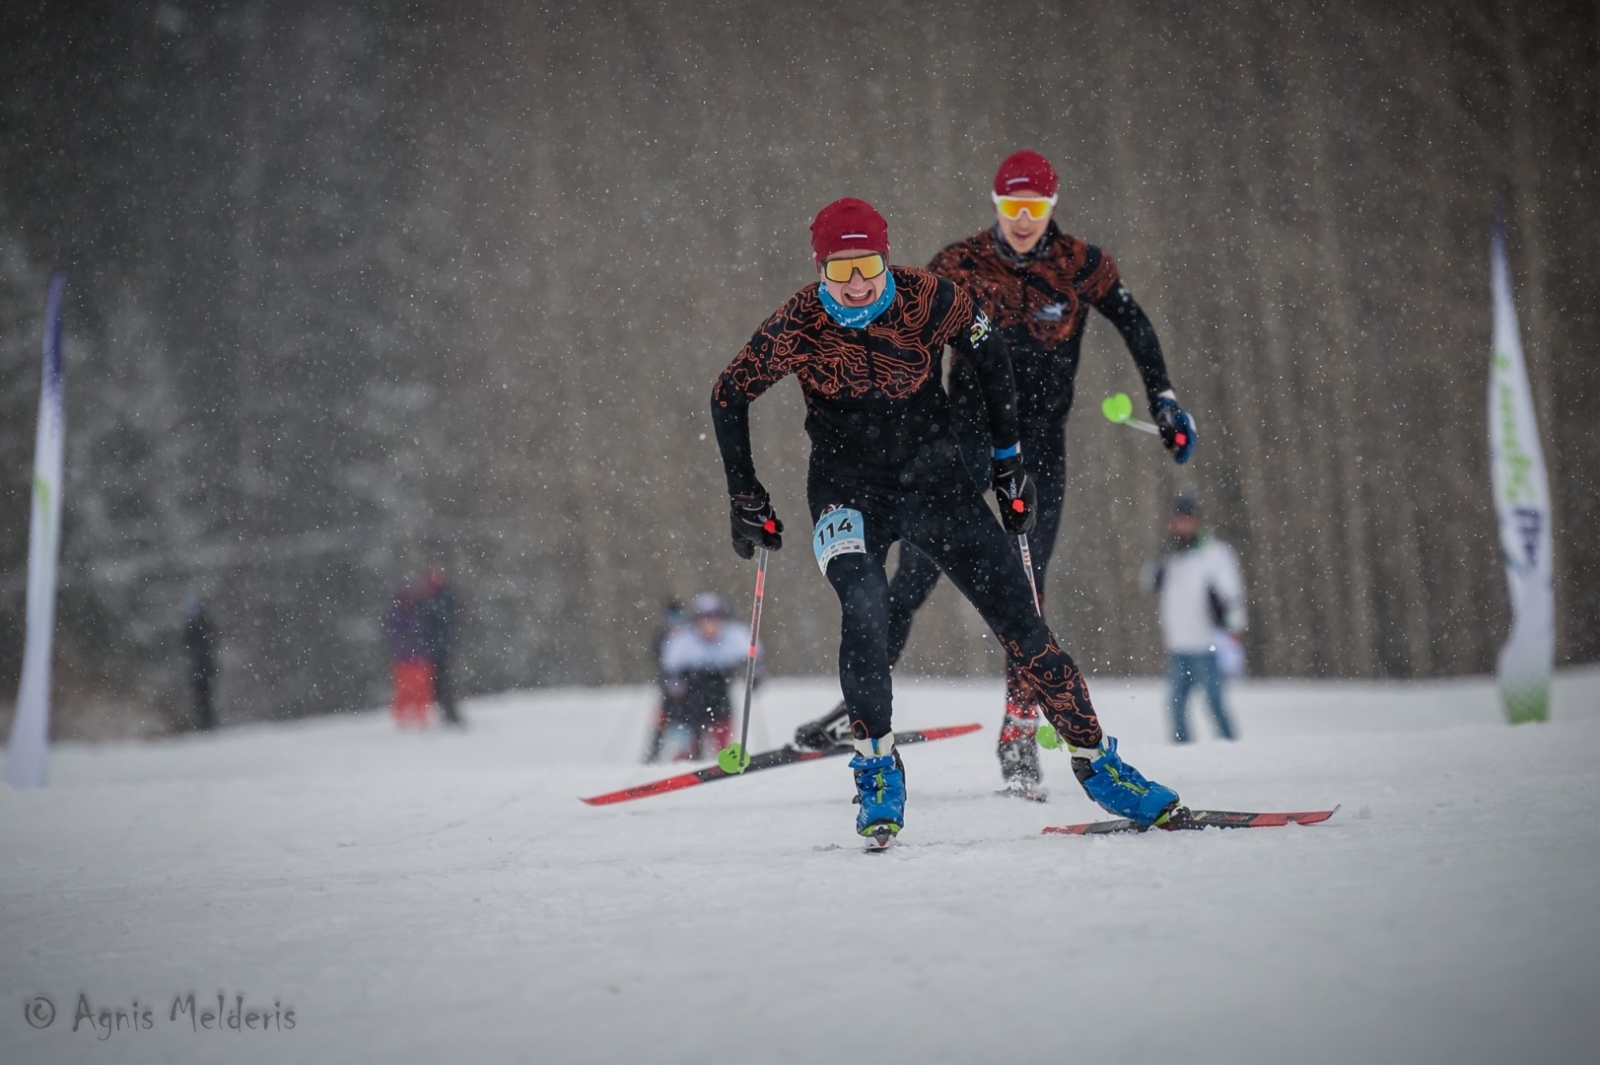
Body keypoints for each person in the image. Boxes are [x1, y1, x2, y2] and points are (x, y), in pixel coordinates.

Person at [711, 196, 1182, 843]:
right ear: (820, 268)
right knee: (868, 603)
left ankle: (1099, 761)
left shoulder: (930, 297)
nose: (857, 284)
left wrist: (1008, 460)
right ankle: (877, 765)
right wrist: (746, 495)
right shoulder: (800, 321)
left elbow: (989, 359)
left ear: (887, 256)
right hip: (847, 493)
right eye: (840, 270)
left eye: (868, 265)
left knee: (1022, 621)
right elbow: (728, 391)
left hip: (937, 483)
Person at [1143, 495, 1246, 743]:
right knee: (1176, 705)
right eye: (1179, 520)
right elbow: (1148, 584)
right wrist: (1159, 563)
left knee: (1214, 701)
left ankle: (1231, 746)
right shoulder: (1170, 554)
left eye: (1188, 519)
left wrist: (1235, 626)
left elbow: (1231, 593)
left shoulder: (1215, 553)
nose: (1183, 525)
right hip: (1178, 643)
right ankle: (1183, 751)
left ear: (1197, 521)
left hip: (1207, 642)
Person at [656, 593, 759, 762]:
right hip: (691, 702)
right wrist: (673, 684)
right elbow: (670, 668)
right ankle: (684, 763)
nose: (710, 626)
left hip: (720, 701)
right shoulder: (684, 640)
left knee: (723, 737)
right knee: (689, 743)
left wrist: (755, 674)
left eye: (715, 619)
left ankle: (726, 762)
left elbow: (754, 655)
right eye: (705, 620)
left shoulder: (734, 636)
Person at [383, 580, 433, 728]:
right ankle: (402, 717)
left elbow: (427, 631)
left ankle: (421, 715)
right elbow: (391, 634)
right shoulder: (395, 614)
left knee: (422, 689)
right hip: (404, 659)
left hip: (419, 657)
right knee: (404, 690)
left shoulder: (420, 612)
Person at [644, 598, 690, 762]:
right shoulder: (661, 634)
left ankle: (688, 754)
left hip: (688, 689)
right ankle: (654, 754)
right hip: (667, 688)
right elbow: (655, 655)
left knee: (688, 722)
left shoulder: (687, 634)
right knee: (663, 721)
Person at [417, 568, 464, 727]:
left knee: (443, 683)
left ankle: (450, 713)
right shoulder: (428, 600)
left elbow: (445, 622)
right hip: (433, 650)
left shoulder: (443, 600)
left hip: (441, 649)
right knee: (436, 685)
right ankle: (445, 712)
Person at [182, 596, 218, 730]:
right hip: (203, 666)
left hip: (201, 667)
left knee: (202, 696)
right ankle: (206, 721)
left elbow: (187, 643)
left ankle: (205, 722)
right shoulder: (205, 623)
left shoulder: (197, 625)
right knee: (204, 696)